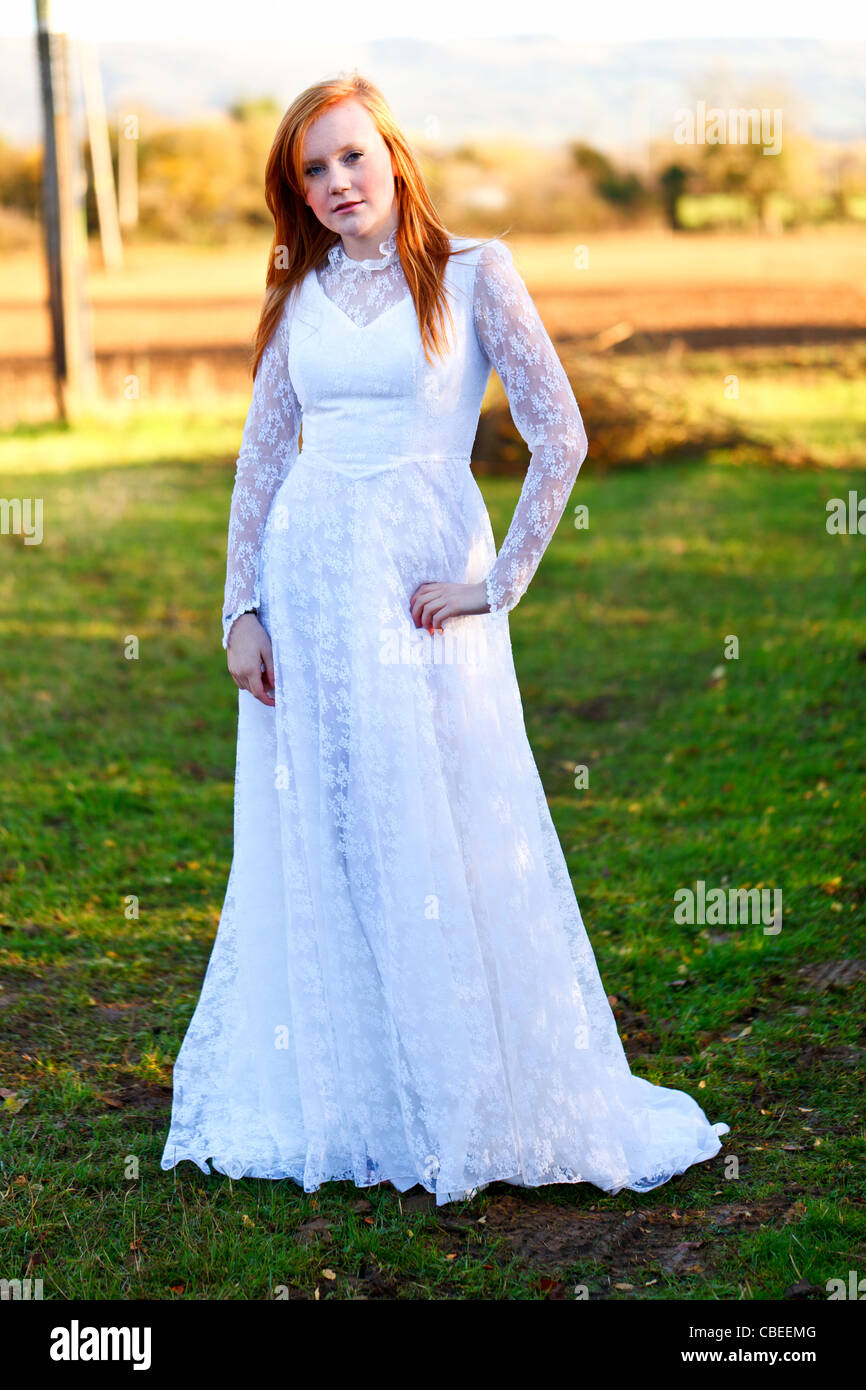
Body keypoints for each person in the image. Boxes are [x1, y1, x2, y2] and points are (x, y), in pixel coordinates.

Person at [160, 73, 729, 1205]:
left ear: (394, 157)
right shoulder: (297, 288)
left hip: (418, 595)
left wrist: (495, 582)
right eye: (310, 170)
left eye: (350, 158)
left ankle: (464, 1084)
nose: (334, 184)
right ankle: (355, 1084)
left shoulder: (473, 274)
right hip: (306, 581)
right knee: (334, 825)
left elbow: (556, 433)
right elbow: (261, 458)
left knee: (441, 816)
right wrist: (239, 609)